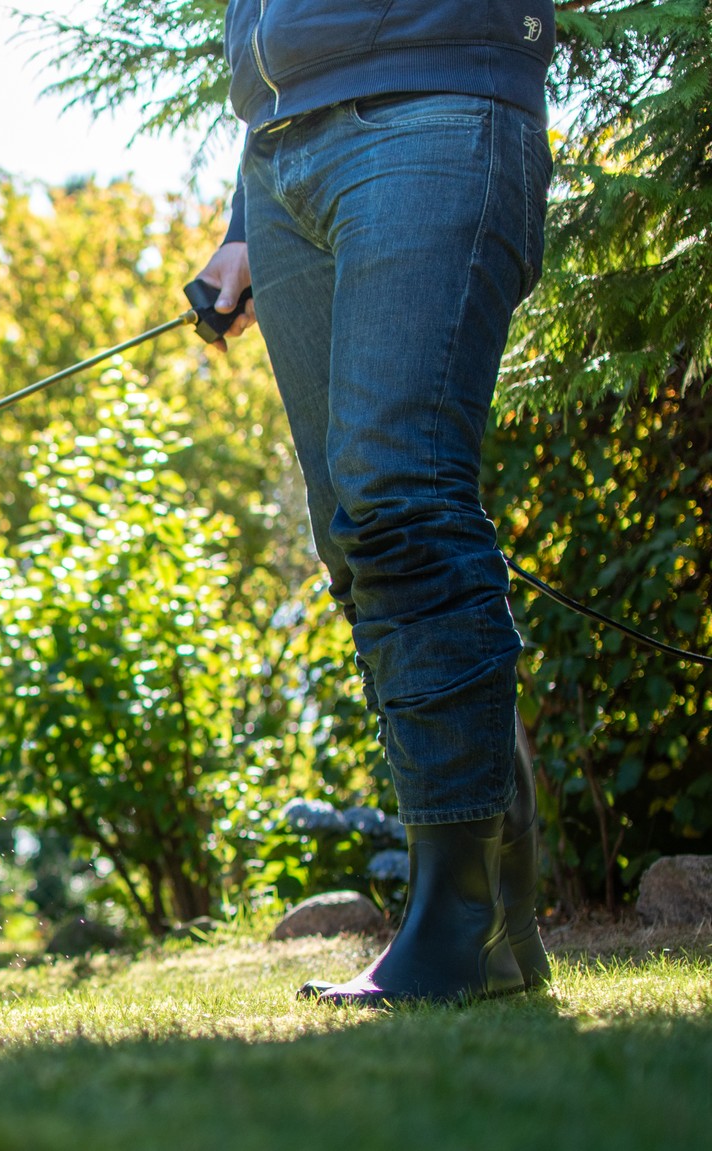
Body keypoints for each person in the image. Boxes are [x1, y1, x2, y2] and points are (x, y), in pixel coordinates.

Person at [197, 0, 557, 1005]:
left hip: (436, 109)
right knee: (357, 540)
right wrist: (241, 222)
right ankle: (489, 890)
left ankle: (456, 915)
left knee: (403, 500)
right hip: (281, 160)